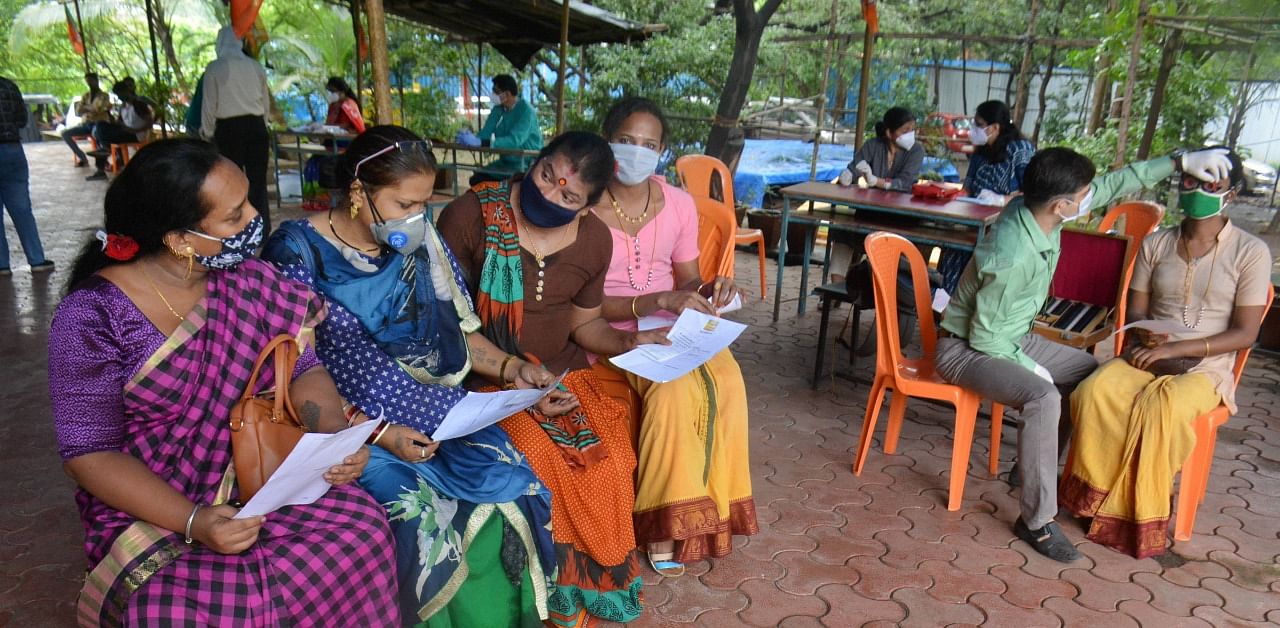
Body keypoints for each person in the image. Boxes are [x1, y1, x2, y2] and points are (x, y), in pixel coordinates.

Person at [48, 138, 398, 625]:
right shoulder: (91, 315)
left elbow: (303, 368)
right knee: (189, 609)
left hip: (260, 475)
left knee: (359, 529)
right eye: (235, 217)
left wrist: (330, 441)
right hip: (155, 507)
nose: (255, 219)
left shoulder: (251, 281)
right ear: (180, 239)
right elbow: (90, 453)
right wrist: (194, 521)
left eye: (249, 201)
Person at [262, 126, 559, 627]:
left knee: (513, 487)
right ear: (358, 193)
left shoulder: (422, 244)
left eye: (425, 203)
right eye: (404, 203)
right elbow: (292, 372)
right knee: (429, 518)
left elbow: (457, 339)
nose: (417, 217)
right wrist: (380, 433)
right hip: (347, 432)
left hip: (440, 414)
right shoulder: (297, 253)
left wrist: (513, 369)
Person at [933, 146, 1237, 563]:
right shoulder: (1012, 255)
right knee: (1044, 396)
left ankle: (1031, 469)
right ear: (1062, 205)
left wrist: (1178, 161)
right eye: (1084, 193)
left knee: (1091, 373)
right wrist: (1036, 370)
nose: (1091, 196)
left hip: (1012, 334)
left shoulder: (1037, 208)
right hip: (967, 349)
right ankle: (1037, 521)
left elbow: (1114, 184)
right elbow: (986, 339)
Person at [438, 131, 671, 627]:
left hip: (562, 375)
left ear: (589, 206)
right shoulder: (469, 216)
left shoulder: (593, 239)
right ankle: (555, 591)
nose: (548, 195)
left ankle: (599, 583)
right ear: (538, 161)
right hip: (485, 381)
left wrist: (628, 342)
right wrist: (514, 375)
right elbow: (445, 324)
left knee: (606, 460)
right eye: (546, 176)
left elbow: (584, 325)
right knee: (548, 463)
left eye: (568, 196)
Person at [1061, 149, 1271, 559]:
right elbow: (1137, 310)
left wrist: (1181, 349)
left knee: (1162, 407)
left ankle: (1138, 513)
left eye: (1212, 186)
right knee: (1093, 392)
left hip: (1207, 366)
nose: (1197, 192)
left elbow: (1246, 333)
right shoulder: (1157, 243)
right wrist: (1149, 337)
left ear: (1233, 193)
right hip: (1151, 353)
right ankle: (1093, 499)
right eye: (1191, 183)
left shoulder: (1251, 252)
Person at [593, 97, 759, 576]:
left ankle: (714, 516)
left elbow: (687, 279)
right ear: (606, 141)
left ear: (663, 151)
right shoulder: (584, 206)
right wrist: (653, 304)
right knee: (675, 391)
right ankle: (665, 524)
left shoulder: (679, 205)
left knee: (728, 382)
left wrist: (710, 289)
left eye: (649, 144)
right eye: (626, 141)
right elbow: (578, 304)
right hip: (609, 331)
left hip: (675, 326)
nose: (637, 152)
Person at [938, 100, 1038, 292]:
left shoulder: (1020, 149)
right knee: (953, 251)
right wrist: (957, 197)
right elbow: (968, 186)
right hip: (972, 223)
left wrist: (1001, 200)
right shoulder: (980, 152)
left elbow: (1032, 192)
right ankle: (944, 307)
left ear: (995, 127)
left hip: (1006, 225)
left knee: (981, 272)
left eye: (979, 125)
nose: (974, 129)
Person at [830, 106, 925, 283]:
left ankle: (882, 290)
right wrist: (847, 177)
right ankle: (836, 288)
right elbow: (854, 168)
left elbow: (905, 182)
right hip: (871, 211)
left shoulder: (916, 151)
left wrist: (877, 181)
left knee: (892, 244)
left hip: (901, 215)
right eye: (905, 130)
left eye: (912, 130)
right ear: (889, 133)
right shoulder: (873, 146)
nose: (910, 134)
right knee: (841, 230)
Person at [201, 26, 272, 234]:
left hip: (228, 130)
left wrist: (207, 133)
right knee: (257, 181)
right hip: (257, 127)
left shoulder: (214, 68)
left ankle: (237, 229)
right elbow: (265, 103)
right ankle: (262, 229)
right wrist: (263, 124)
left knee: (230, 181)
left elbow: (209, 104)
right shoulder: (255, 67)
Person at [0, 75, 53, 275]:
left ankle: (2, 265)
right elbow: (22, 119)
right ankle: (37, 259)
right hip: (12, 149)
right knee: (22, 209)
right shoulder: (8, 86)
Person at [469, 74, 542, 187]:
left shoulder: (526, 110)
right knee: (476, 179)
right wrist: (473, 139)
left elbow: (514, 140)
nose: (492, 95)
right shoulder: (499, 109)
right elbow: (487, 131)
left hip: (525, 163)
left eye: (496, 91)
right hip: (506, 162)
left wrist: (486, 143)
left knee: (497, 186)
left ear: (507, 94)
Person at [85, 78, 154, 182]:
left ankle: (105, 152)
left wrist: (135, 130)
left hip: (135, 135)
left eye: (120, 94)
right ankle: (105, 151)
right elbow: (118, 122)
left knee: (102, 133)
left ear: (126, 92)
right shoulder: (123, 106)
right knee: (100, 125)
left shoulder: (138, 104)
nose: (119, 97)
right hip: (125, 132)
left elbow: (150, 122)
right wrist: (109, 115)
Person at [60, 72, 112, 167]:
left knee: (97, 133)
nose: (89, 84)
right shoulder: (86, 95)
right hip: (85, 124)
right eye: (87, 82)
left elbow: (98, 109)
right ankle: (83, 158)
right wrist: (91, 107)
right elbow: (78, 110)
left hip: (98, 124)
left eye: (91, 81)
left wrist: (86, 107)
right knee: (65, 133)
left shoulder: (104, 95)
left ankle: (102, 161)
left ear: (96, 81)